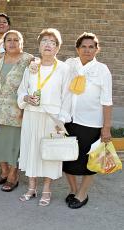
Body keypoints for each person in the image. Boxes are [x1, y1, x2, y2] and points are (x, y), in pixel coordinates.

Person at [17, 28, 71, 206]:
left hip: (52, 118)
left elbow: (67, 96)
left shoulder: (64, 69)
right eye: (44, 41)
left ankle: (47, 189)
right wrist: (26, 98)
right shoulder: (32, 67)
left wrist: (61, 120)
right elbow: (22, 90)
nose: (48, 45)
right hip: (32, 115)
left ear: (57, 47)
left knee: (50, 153)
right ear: (39, 45)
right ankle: (31, 188)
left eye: (52, 42)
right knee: (31, 151)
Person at [63, 32, 113, 209]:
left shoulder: (102, 70)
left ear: (97, 49)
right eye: (83, 46)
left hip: (91, 123)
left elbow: (107, 101)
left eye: (91, 46)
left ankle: (82, 194)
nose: (87, 50)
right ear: (77, 49)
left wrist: (106, 127)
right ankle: (73, 189)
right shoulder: (70, 64)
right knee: (67, 159)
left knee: (89, 161)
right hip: (68, 120)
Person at [0, 30, 33, 192]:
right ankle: (4, 171)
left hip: (18, 110)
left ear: (22, 43)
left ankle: (13, 175)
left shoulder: (29, 60)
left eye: (16, 40)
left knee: (15, 145)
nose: (12, 43)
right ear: (4, 43)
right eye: (9, 40)